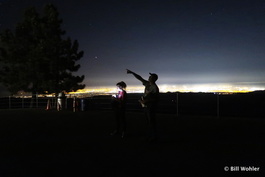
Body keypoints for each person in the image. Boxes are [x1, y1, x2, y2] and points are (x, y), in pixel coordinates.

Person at [126, 69, 159, 142]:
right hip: (146, 106)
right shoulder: (148, 84)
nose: (149, 77)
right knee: (149, 121)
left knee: (151, 121)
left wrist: (145, 101)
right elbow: (140, 78)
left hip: (150, 107)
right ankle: (151, 135)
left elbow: (155, 99)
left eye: (150, 77)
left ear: (153, 79)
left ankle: (153, 137)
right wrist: (132, 72)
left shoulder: (155, 88)